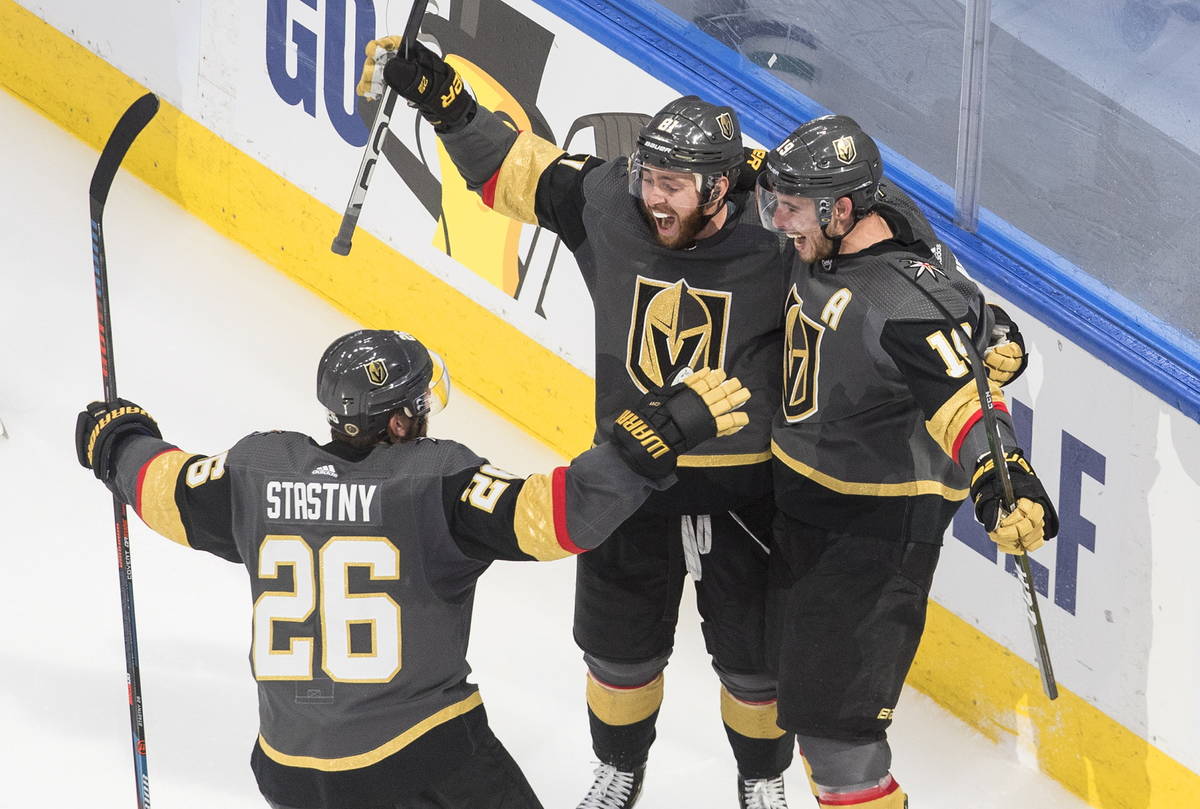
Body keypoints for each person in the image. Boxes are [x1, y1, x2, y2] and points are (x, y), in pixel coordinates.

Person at [359, 38, 795, 809]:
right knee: (617, 649)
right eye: (650, 177)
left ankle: (761, 781)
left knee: (757, 664)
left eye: (676, 186)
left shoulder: (782, 230)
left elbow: (878, 241)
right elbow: (507, 170)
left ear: (723, 187)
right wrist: (442, 95)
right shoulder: (609, 201)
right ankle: (620, 767)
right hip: (628, 472)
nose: (656, 198)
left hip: (746, 488)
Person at [74, 329, 751, 809]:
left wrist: (118, 443)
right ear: (398, 422)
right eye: (418, 404)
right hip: (423, 753)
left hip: (288, 767)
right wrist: (650, 442)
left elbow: (163, 490)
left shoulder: (256, 470)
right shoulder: (433, 482)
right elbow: (557, 519)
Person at [755, 115, 1059, 808]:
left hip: (869, 540)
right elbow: (962, 309)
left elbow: (964, 399)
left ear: (840, 209)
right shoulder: (871, 218)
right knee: (812, 717)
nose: (778, 220)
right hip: (806, 511)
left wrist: (1000, 480)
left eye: (794, 207)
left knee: (839, 739)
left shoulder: (902, 302)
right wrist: (988, 322)